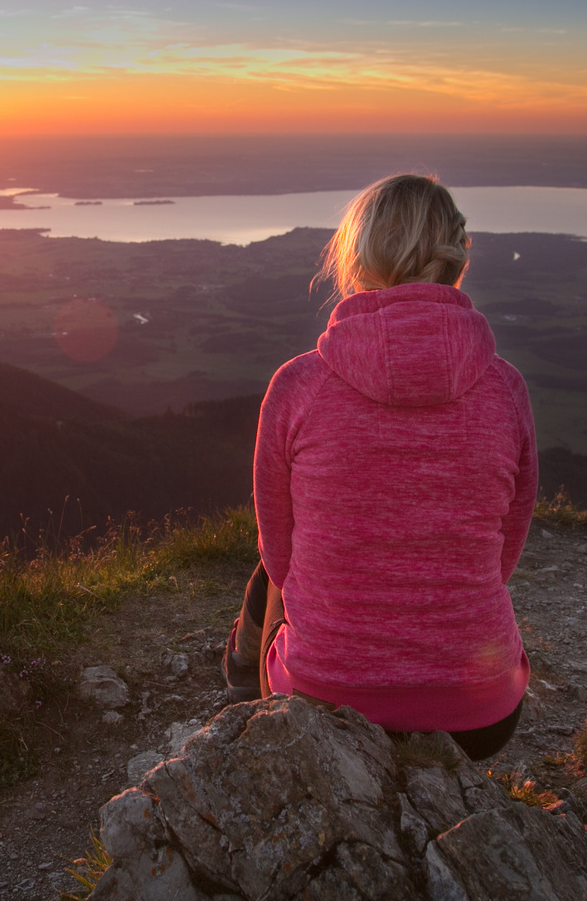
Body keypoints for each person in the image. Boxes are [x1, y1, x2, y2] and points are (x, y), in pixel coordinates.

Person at [222, 173, 537, 761]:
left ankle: (248, 703)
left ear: (358, 257)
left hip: (327, 700)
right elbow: (505, 551)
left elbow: (281, 552)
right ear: (457, 259)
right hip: (480, 714)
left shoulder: (299, 387)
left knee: (267, 577)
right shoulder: (505, 389)